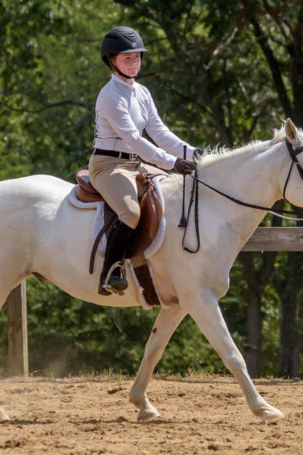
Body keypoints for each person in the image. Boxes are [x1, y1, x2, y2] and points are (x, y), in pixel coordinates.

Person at [90, 25, 198, 295]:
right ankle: (111, 271)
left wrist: (192, 153)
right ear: (111, 61)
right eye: (128, 58)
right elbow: (135, 140)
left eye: (137, 57)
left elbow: (160, 132)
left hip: (134, 164)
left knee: (174, 192)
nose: (134, 62)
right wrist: (171, 163)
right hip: (108, 166)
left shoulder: (142, 92)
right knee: (130, 212)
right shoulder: (111, 97)